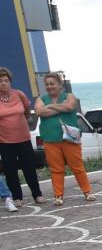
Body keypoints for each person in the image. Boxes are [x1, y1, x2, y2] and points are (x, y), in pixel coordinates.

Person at [34, 72, 95, 206]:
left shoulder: (69, 96)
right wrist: (60, 108)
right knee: (56, 169)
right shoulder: (41, 98)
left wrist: (49, 107)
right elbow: (39, 112)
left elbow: (69, 106)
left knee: (77, 167)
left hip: (70, 139)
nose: (49, 87)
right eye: (47, 84)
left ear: (59, 85)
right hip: (50, 139)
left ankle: (87, 191)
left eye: (52, 84)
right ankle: (58, 195)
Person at [0, 67, 44, 206]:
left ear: (10, 81)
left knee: (29, 168)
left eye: (6, 80)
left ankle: (37, 194)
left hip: (23, 138)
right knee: (10, 170)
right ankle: (17, 197)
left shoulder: (19, 94)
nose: (3, 83)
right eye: (0, 81)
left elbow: (26, 111)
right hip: (5, 141)